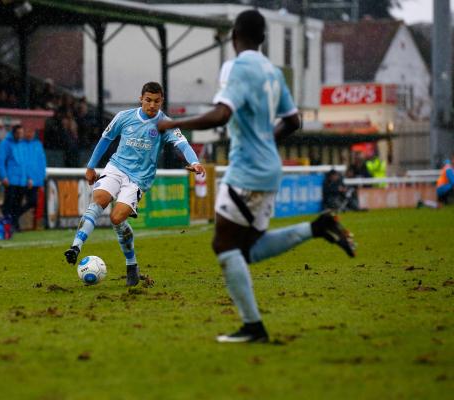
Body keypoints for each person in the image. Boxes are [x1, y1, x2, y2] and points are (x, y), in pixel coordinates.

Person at [157, 10, 356, 343]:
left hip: (246, 169)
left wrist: (172, 124)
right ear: (263, 38)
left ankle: (253, 327)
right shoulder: (272, 71)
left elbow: (222, 114)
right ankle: (316, 227)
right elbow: (293, 121)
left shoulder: (239, 67)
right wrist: (266, 140)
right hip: (269, 167)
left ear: (235, 35)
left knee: (223, 244)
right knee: (247, 249)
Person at [64, 81, 205, 286]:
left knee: (116, 218)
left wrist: (195, 162)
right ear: (141, 99)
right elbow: (105, 139)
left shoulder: (165, 124)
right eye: (148, 100)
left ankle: (131, 263)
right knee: (99, 200)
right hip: (116, 167)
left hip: (139, 178)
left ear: (161, 101)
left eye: (156, 101)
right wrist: (91, 166)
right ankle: (76, 246)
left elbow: (182, 143)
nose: (152, 105)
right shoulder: (124, 117)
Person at [0, 124, 28, 231]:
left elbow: (25, 163)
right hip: (11, 179)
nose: (20, 135)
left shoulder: (22, 144)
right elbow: (1, 161)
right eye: (19, 133)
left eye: (22, 133)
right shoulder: (5, 144)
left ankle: (14, 223)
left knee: (18, 204)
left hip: (21, 180)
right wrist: (4, 176)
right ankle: (7, 224)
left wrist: (28, 177)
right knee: (9, 203)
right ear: (14, 133)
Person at [20, 128, 46, 225]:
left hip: (35, 180)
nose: (30, 133)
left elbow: (42, 163)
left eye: (31, 131)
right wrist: (27, 178)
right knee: (19, 201)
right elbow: (22, 164)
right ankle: (14, 219)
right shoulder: (21, 144)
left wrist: (41, 179)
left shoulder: (37, 144)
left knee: (33, 201)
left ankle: (15, 216)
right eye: (28, 131)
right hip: (24, 180)